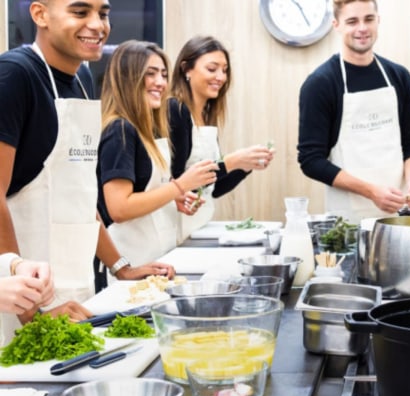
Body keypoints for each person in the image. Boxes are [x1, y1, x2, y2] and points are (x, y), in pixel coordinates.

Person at [0, 0, 174, 311]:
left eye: (103, 14)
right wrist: (33, 314)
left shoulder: (82, 81)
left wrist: (121, 268)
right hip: (18, 302)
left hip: (73, 289)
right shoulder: (15, 76)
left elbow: (78, 198)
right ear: (40, 14)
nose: (98, 25)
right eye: (80, 12)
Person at [297, 0, 410, 224]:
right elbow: (311, 160)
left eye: (368, 19)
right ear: (336, 25)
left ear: (378, 20)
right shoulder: (321, 83)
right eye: (352, 21)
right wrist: (371, 192)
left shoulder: (399, 76)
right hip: (348, 222)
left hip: (399, 215)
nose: (362, 28)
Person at [97, 40, 218, 271]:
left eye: (163, 74)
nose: (161, 83)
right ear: (127, 78)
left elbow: (143, 192)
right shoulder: (119, 130)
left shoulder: (147, 130)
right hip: (130, 261)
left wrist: (172, 198)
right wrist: (180, 186)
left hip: (157, 258)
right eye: (150, 74)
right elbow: (119, 208)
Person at [169, 36, 276, 241]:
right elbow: (178, 182)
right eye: (212, 69)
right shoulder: (177, 110)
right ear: (186, 69)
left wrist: (245, 165)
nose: (221, 77)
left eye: (225, 70)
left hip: (200, 226)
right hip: (177, 227)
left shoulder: (206, 116)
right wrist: (232, 161)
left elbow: (213, 190)